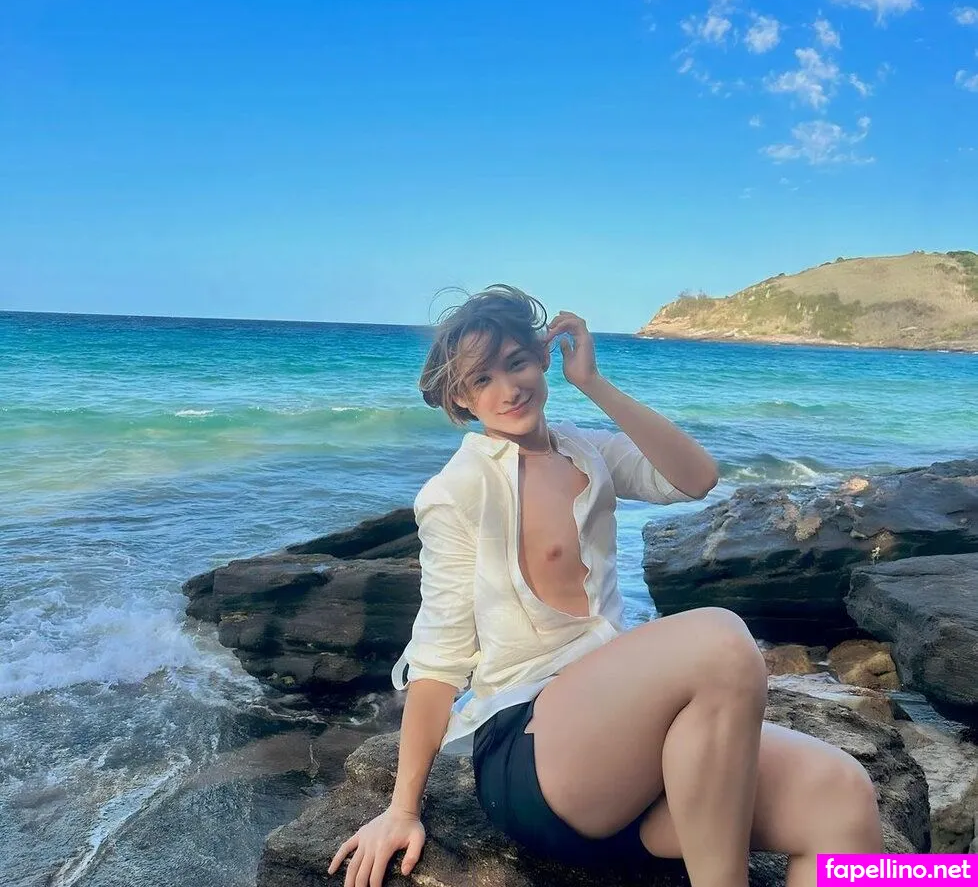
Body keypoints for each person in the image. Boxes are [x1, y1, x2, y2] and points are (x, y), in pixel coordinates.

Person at [328, 285, 884, 887]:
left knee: (843, 792)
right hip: (535, 755)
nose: (508, 389)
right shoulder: (457, 491)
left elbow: (696, 478)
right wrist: (402, 808)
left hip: (635, 755)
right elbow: (438, 659)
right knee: (720, 640)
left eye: (517, 363)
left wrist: (593, 383)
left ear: (544, 359)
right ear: (460, 396)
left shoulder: (586, 452)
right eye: (482, 379)